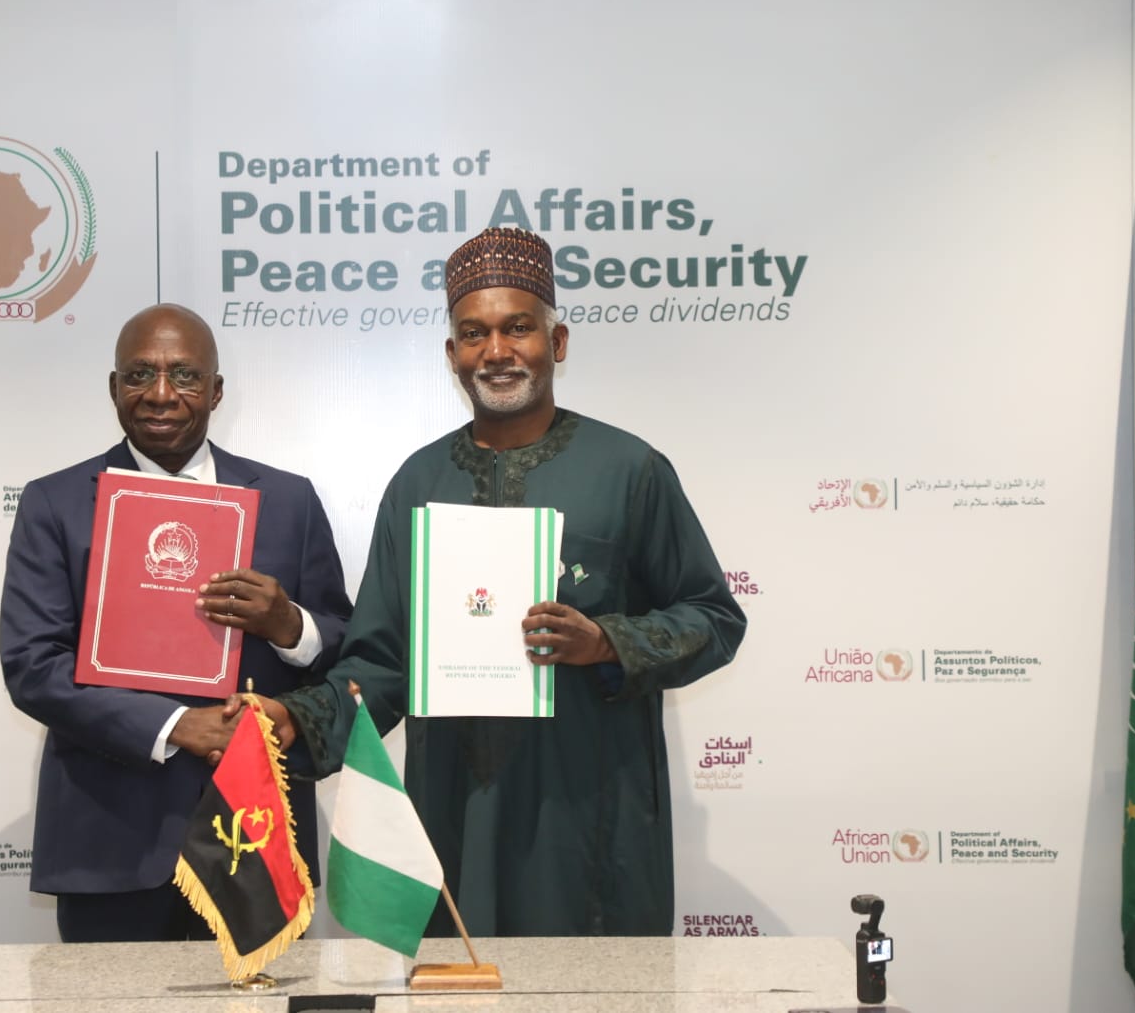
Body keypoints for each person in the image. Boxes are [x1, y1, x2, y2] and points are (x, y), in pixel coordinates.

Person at [223, 227, 746, 938]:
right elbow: (380, 664)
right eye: (474, 334)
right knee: (460, 980)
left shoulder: (629, 470)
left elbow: (714, 619)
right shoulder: (417, 483)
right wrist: (298, 717)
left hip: (590, 816)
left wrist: (605, 642)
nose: (496, 351)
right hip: (453, 813)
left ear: (557, 342)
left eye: (517, 328)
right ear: (452, 355)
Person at [0, 303, 353, 942]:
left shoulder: (289, 501)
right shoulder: (55, 502)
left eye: (185, 375)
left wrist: (288, 625)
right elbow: (33, 666)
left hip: (255, 831)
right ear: (114, 388)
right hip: (110, 840)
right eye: (140, 374)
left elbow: (343, 649)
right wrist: (176, 725)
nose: (161, 394)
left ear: (216, 391)